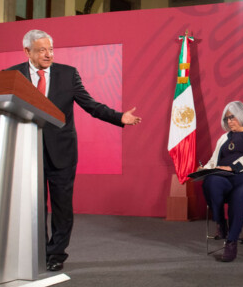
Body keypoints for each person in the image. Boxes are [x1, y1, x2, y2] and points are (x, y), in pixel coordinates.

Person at [7, 29, 142, 272]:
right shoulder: (11, 75)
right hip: (26, 152)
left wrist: (120, 117)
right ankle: (35, 253)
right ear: (27, 51)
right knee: (32, 206)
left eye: (50, 49)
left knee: (61, 207)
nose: (48, 54)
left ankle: (56, 254)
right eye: (42, 50)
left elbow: (90, 105)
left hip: (62, 152)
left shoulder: (67, 74)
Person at [200, 101, 243, 262]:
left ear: (242, 115)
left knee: (238, 196)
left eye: (232, 117)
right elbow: (214, 159)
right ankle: (220, 222)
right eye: (227, 119)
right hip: (226, 178)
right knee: (210, 182)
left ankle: (231, 242)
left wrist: (233, 167)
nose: (229, 121)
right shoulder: (224, 137)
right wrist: (205, 169)